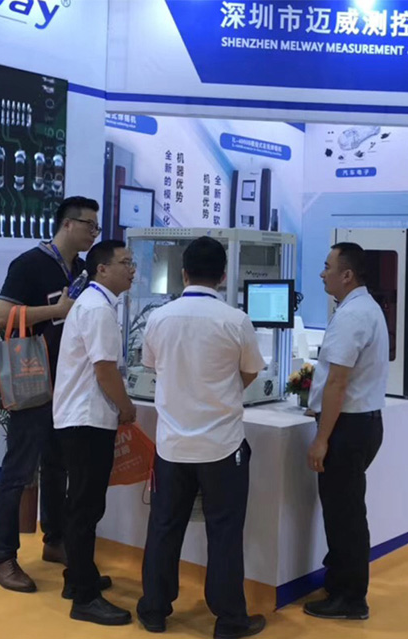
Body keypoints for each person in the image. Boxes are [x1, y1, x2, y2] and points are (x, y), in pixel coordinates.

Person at [136, 236, 267, 639]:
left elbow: (152, 366)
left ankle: (154, 610)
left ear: (183, 273)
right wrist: (220, 393)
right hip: (222, 446)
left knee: (163, 527)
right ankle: (229, 620)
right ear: (223, 275)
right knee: (224, 532)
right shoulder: (236, 320)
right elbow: (250, 372)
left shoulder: (159, 318)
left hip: (172, 445)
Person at [0, 196, 101, 592]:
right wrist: (56, 311)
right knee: (19, 470)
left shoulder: (82, 269)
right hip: (33, 380)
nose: (94, 233)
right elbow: (2, 317)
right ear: (68, 224)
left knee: (58, 466)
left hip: (68, 382)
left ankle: (55, 540)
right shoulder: (29, 264)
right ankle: (2, 557)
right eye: (89, 225)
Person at [53, 240, 136, 626]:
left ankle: (77, 577)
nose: (131, 269)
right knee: (85, 508)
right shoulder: (99, 309)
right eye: (124, 263)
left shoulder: (93, 304)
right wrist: (126, 406)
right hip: (87, 419)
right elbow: (105, 370)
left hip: (80, 418)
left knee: (82, 505)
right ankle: (85, 597)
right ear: (101, 269)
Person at [305, 242, 389, 621]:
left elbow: (338, 382)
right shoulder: (364, 308)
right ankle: (340, 583)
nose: (322, 273)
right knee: (345, 510)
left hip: (348, 427)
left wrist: (321, 439)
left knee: (345, 515)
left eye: (328, 266)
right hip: (363, 422)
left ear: (347, 275)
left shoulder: (352, 316)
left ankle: (351, 598)